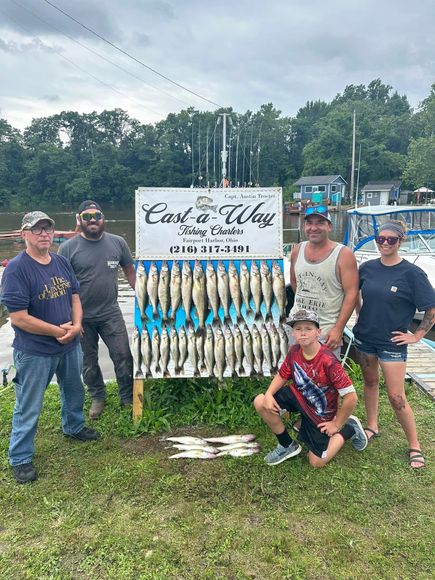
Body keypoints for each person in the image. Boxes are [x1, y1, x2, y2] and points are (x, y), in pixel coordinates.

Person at [1, 211, 99, 484]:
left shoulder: (61, 262)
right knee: (28, 405)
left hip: (68, 344)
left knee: (74, 390)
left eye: (47, 229)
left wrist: (77, 326)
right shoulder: (16, 269)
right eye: (37, 230)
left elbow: (75, 296)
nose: (44, 234)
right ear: (24, 235)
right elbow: (18, 317)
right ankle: (20, 457)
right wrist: (59, 331)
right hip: (34, 352)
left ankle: (74, 426)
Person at [353, 220, 435, 469]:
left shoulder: (412, 273)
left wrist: (417, 335)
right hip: (365, 337)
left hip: (392, 343)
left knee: (397, 396)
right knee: (369, 382)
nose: (385, 243)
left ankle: (414, 445)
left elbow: (431, 307)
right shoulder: (366, 268)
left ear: (400, 241)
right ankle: (372, 426)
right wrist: (360, 313)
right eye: (381, 239)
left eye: (391, 239)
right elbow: (353, 293)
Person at [254, 309, 368, 468]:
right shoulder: (294, 350)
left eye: (308, 328)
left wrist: (336, 425)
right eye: (298, 329)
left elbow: (351, 396)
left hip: (320, 412)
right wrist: (268, 394)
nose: (303, 333)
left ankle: (348, 428)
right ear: (292, 333)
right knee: (261, 401)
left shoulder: (329, 361)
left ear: (318, 332)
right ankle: (287, 445)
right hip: (299, 397)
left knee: (316, 462)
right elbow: (282, 375)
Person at [58, 200, 135, 419]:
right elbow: (61, 285)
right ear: (79, 219)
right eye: (87, 217)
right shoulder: (67, 248)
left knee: (123, 355)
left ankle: (127, 396)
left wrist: (143, 294)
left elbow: (130, 271)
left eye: (97, 216)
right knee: (88, 362)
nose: (93, 221)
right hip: (81, 318)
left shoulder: (118, 243)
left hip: (111, 312)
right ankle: (98, 396)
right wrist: (69, 319)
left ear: (103, 218)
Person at [289, 205, 359, 358]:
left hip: (326, 333)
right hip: (297, 328)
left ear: (329, 226)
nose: (314, 228)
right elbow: (295, 284)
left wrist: (338, 329)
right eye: (309, 223)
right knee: (295, 376)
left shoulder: (343, 254)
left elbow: (352, 293)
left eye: (320, 222)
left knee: (325, 380)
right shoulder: (297, 250)